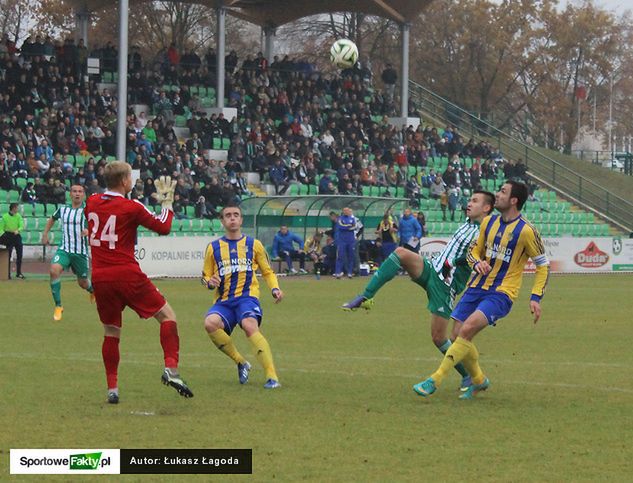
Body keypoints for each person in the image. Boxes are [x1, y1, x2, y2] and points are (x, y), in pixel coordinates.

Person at [342, 191, 495, 391]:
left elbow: (474, 258)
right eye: (470, 199)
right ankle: (366, 296)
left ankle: (468, 376)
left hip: (445, 284)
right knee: (400, 253)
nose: (469, 203)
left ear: (486, 208)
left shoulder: (485, 233)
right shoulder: (468, 222)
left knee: (439, 338)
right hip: (432, 268)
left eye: (475, 201)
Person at [413, 181, 550, 400]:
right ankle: (478, 380)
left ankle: (435, 379)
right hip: (476, 287)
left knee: (466, 330)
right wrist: (477, 263)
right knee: (457, 335)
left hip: (502, 293)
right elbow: (472, 252)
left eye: (503, 192)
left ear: (514, 200)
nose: (498, 194)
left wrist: (536, 297)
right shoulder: (489, 223)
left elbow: (543, 265)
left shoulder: (526, 231)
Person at [84, 161, 193, 404]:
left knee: (111, 331)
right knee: (168, 316)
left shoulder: (91, 201)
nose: (132, 181)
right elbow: (163, 227)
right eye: (130, 178)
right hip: (126, 274)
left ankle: (112, 389)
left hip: (100, 277)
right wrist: (167, 203)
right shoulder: (131, 206)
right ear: (124, 181)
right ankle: (171, 370)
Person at [202, 204, 283, 389]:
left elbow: (268, 272)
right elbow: (205, 276)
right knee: (210, 323)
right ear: (222, 221)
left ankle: (272, 377)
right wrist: (209, 283)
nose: (232, 218)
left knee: (249, 325)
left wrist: (275, 289)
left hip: (247, 298)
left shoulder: (254, 245)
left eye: (236, 215)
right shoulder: (213, 248)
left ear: (241, 220)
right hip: (224, 301)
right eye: (228, 215)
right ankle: (241, 362)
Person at [42, 184, 94, 321]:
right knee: (54, 270)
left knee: (83, 282)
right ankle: (58, 306)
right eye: (74, 191)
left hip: (80, 252)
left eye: (80, 192)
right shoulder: (63, 209)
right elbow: (52, 219)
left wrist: (89, 231)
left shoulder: (88, 211)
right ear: (70, 194)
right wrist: (45, 233)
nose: (77, 194)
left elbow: (96, 225)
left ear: (83, 195)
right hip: (64, 249)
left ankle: (92, 290)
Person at [0, 203, 25, 279]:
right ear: (13, 208)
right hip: (8, 236)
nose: (18, 209)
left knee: (19, 255)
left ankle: (19, 272)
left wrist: (18, 230)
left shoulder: (18, 216)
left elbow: (21, 225)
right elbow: (1, 228)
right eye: (17, 208)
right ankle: (7, 273)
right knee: (8, 255)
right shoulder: (5, 217)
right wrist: (3, 235)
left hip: (16, 235)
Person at [334, 207, 357, 279]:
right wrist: (349, 226)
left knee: (351, 256)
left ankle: (349, 272)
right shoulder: (340, 219)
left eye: (348, 210)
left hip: (351, 240)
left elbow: (355, 226)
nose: (347, 212)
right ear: (343, 211)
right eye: (345, 211)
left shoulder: (352, 218)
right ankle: (338, 272)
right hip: (342, 240)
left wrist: (349, 227)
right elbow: (341, 227)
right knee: (340, 256)